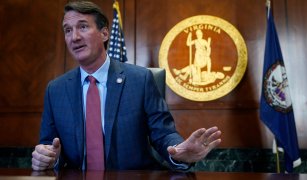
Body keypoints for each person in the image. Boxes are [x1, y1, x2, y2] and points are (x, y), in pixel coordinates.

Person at [31, 0, 221, 171]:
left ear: (105, 33)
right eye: (68, 30)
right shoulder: (55, 90)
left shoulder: (140, 80)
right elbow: (49, 145)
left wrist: (179, 152)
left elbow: (163, 134)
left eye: (83, 27)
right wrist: (46, 158)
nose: (74, 37)